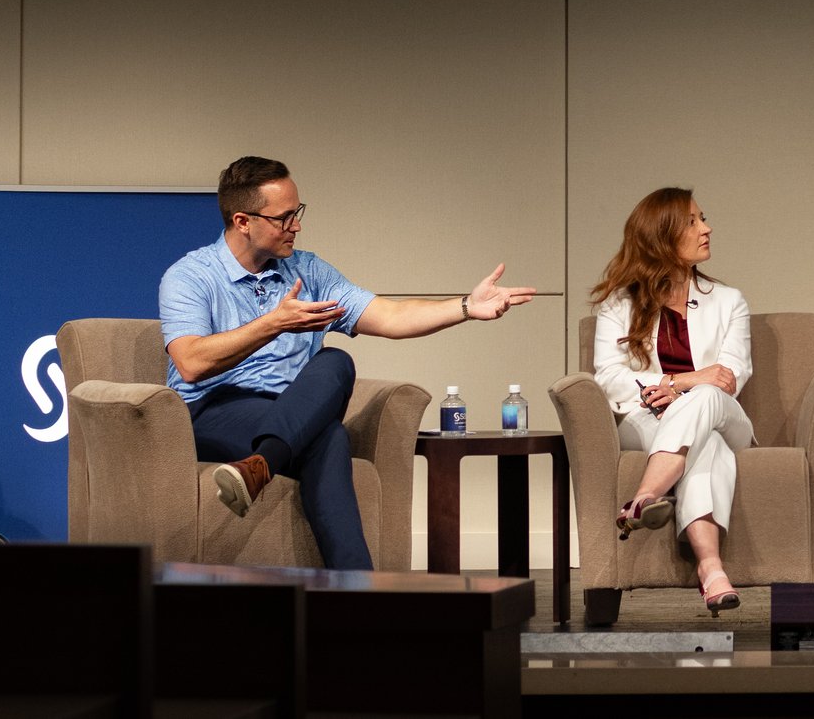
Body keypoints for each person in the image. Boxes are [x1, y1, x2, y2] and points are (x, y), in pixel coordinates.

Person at [160, 156, 534, 569]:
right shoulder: (190, 276)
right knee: (330, 437)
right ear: (243, 221)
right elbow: (192, 363)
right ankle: (360, 594)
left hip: (290, 407)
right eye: (284, 218)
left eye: (298, 213)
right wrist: (274, 324)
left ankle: (261, 465)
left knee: (336, 360)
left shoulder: (307, 270)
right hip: (213, 410)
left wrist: (465, 306)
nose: (296, 226)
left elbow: (388, 316)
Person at [586, 187, 754, 615]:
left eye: (704, 218)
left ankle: (643, 496)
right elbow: (608, 377)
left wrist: (680, 386)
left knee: (707, 399)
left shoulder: (729, 302)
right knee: (705, 445)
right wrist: (681, 382)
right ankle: (711, 569)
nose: (707, 228)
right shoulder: (617, 305)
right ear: (662, 236)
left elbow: (729, 378)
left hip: (724, 416)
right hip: (648, 418)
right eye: (694, 221)